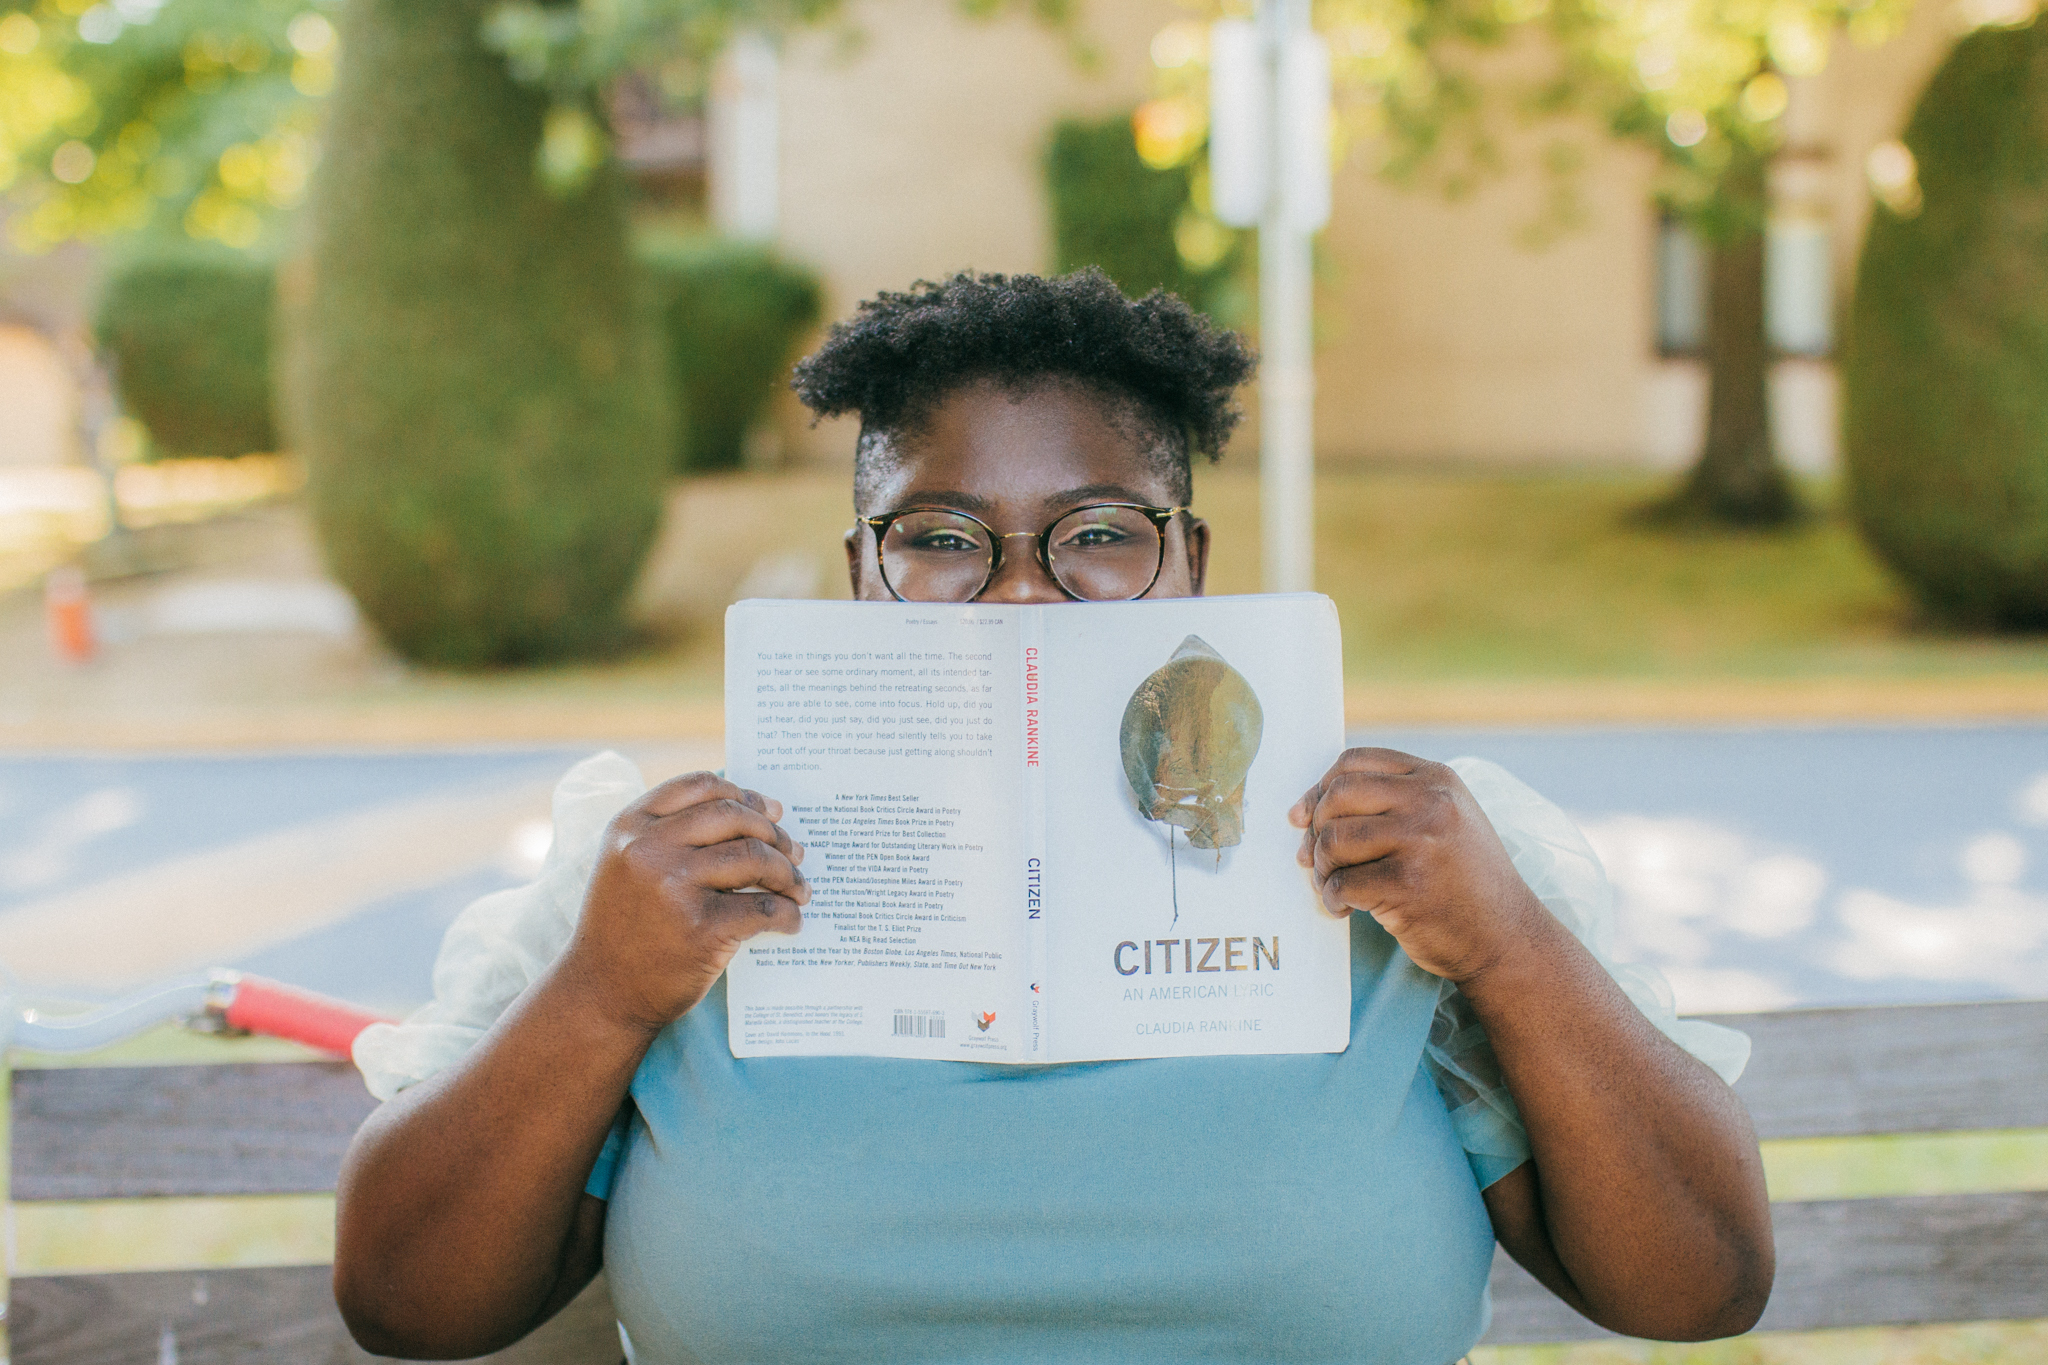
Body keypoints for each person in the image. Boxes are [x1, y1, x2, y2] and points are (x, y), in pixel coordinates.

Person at [334, 270, 1773, 1364]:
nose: (1021, 594)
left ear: (1189, 564)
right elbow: (406, 1301)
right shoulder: (670, 878)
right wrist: (597, 992)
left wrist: (1513, 944)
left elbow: (1701, 1285)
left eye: (1097, 534)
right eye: (942, 539)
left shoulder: (1409, 872)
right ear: (860, 571)